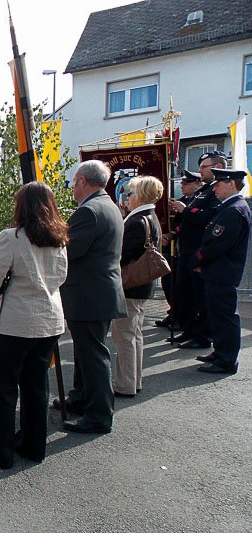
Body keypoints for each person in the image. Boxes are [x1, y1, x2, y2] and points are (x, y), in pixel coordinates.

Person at [0, 181, 68, 469]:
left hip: (13, 324)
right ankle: (33, 445)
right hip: (49, 322)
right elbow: (61, 277)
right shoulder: (59, 239)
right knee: (36, 386)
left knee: (3, 389)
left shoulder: (12, 238)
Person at [57, 160, 126, 434]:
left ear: (84, 181)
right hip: (97, 292)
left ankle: (99, 415)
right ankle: (81, 398)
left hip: (89, 294)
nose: (73, 187)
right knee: (85, 352)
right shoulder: (107, 206)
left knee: (93, 356)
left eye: (74, 181)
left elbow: (68, 250)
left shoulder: (89, 211)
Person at [192, 168, 252, 374]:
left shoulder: (234, 210)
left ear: (231, 184)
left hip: (223, 272)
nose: (214, 188)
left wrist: (198, 259)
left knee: (225, 317)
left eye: (218, 184)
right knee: (217, 315)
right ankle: (220, 352)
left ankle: (227, 360)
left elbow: (217, 244)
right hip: (218, 271)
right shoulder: (229, 206)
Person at [112, 176, 164, 398]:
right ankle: (133, 380)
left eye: (131, 193)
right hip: (140, 286)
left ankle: (125, 384)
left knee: (124, 336)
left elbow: (121, 255)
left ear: (141, 195)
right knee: (134, 335)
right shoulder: (149, 217)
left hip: (130, 286)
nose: (127, 198)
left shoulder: (137, 221)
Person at [168, 151, 225, 349]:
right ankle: (189, 330)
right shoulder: (204, 191)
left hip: (198, 250)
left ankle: (202, 336)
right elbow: (187, 221)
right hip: (187, 250)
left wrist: (185, 210)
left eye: (204, 167)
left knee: (199, 297)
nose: (200, 170)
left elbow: (207, 217)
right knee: (186, 294)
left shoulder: (214, 192)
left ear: (218, 167)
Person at [156, 171, 201, 329]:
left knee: (182, 287)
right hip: (173, 249)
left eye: (187, 183)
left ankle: (182, 317)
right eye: (182, 183)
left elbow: (190, 224)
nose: (182, 186)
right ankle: (174, 312)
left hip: (187, 249)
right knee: (168, 283)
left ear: (198, 184)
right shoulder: (182, 201)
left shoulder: (197, 201)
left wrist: (174, 232)